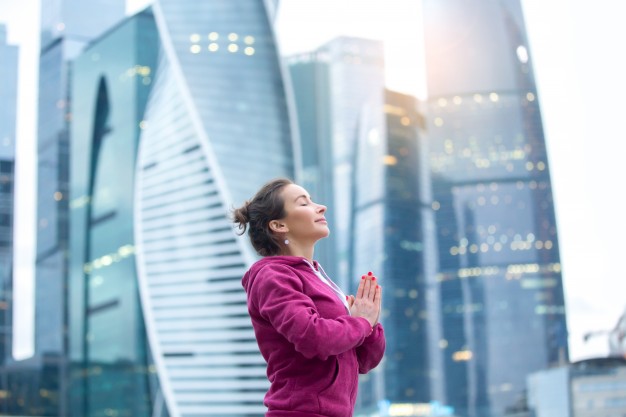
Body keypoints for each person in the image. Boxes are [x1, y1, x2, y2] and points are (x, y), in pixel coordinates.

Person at [233, 178, 385, 417]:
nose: (321, 207)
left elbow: (364, 362)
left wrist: (370, 324)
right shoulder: (273, 275)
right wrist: (360, 322)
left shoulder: (319, 279)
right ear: (279, 225)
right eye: (304, 203)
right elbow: (312, 337)